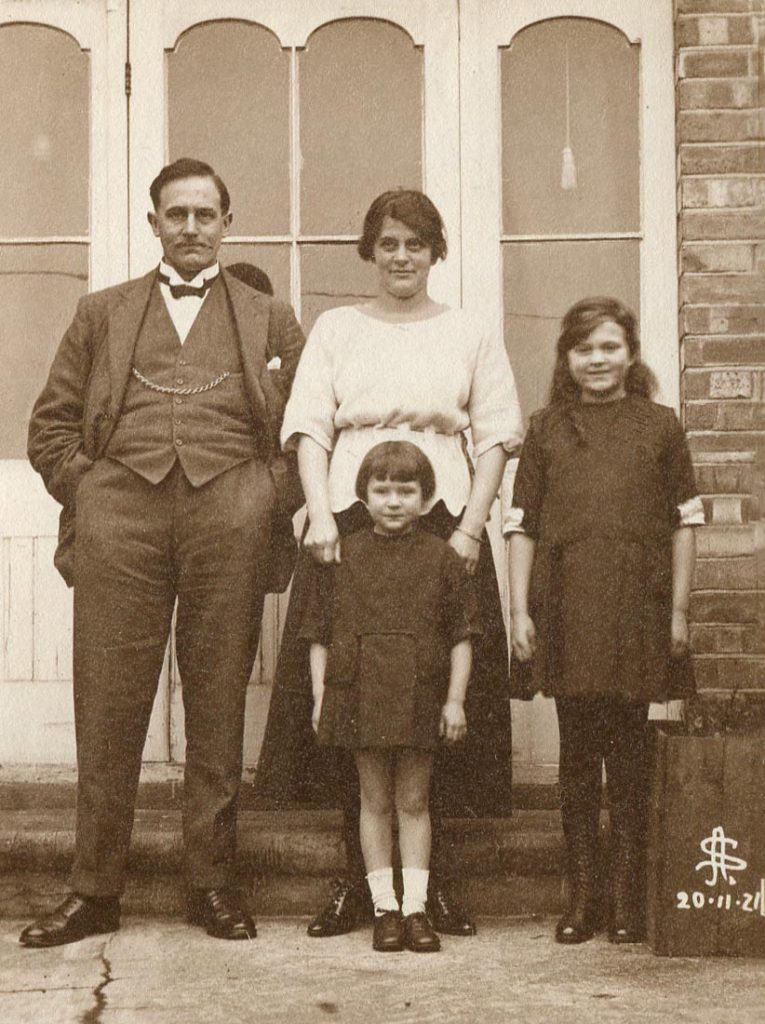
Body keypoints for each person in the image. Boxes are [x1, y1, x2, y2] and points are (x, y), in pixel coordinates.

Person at [21, 158, 304, 947]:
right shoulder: (101, 313)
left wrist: (261, 499)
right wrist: (92, 492)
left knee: (217, 701)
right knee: (107, 705)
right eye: (174, 214)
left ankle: (211, 883)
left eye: (204, 215)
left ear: (226, 224)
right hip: (122, 520)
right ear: (152, 224)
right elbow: (49, 426)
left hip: (230, 518)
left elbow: (308, 429)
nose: (189, 228)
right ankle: (93, 890)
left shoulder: (268, 317)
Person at [256, 188, 524, 938]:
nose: (400, 257)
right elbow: (306, 428)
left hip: (442, 523)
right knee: (353, 698)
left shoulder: (469, 331)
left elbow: (497, 436)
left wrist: (470, 530)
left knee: (437, 703)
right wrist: (317, 515)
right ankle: (360, 885)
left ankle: (430, 889)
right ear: (369, 252)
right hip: (349, 520)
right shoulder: (339, 329)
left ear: (436, 251)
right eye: (387, 243)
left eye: (415, 243)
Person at [504, 296, 704, 945]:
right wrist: (518, 610)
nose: (597, 359)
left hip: (636, 606)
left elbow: (684, 524)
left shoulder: (660, 426)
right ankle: (580, 897)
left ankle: (625, 899)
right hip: (567, 604)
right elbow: (522, 528)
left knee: (630, 759)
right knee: (577, 760)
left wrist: (675, 610)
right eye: (584, 348)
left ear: (630, 353)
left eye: (609, 346)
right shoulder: (545, 429)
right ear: (566, 358)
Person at [303, 441, 482, 953]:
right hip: (360, 693)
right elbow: (320, 634)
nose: (394, 501)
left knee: (413, 800)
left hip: (420, 696)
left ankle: (416, 908)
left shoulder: (443, 558)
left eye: (407, 491)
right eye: (381, 490)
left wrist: (454, 700)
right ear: (362, 496)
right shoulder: (342, 554)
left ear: (427, 500)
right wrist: (321, 697)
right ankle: (384, 908)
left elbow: (461, 637)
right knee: (374, 800)